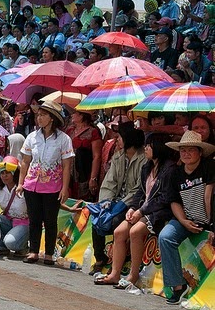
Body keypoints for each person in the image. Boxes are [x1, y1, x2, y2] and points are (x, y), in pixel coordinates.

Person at [97, 134, 176, 288]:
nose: (145, 149)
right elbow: (140, 192)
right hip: (142, 209)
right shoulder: (147, 167)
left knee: (135, 232)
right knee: (119, 232)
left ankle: (133, 275)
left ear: (159, 147)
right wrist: (133, 208)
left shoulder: (170, 169)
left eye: (149, 146)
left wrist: (141, 211)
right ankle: (114, 273)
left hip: (158, 213)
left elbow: (164, 199)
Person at [158, 131, 215, 304]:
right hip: (185, 219)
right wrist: (183, 221)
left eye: (191, 150)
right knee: (165, 237)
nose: (186, 154)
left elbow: (209, 197)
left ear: (200, 152)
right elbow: (174, 201)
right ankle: (177, 286)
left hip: (209, 220)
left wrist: (212, 226)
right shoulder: (175, 173)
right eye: (183, 150)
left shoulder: (209, 167)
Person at [16, 100, 73, 265]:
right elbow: (25, 161)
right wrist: (21, 183)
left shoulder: (64, 139)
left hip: (52, 185)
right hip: (32, 184)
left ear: (52, 118)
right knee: (34, 219)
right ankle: (33, 251)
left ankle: (49, 253)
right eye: (38, 115)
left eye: (42, 115)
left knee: (50, 220)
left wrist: (65, 188)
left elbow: (67, 165)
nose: (38, 118)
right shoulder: (32, 137)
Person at [90, 124, 146, 274]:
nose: (117, 140)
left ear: (130, 139)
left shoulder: (144, 159)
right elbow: (110, 181)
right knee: (97, 218)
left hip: (132, 204)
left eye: (120, 137)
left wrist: (122, 204)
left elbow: (138, 189)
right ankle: (99, 258)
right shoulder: (118, 156)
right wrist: (105, 202)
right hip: (114, 201)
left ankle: (116, 262)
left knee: (116, 222)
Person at [0, 156, 29, 256]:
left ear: (15, 173)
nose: (4, 176)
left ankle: (23, 246)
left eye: (8, 173)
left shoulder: (24, 188)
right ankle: (1, 246)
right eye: (2, 173)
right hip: (8, 221)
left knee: (11, 243)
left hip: (24, 223)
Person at [66, 110, 103, 201]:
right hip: (69, 172)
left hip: (84, 172)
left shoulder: (93, 132)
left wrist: (93, 178)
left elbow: (96, 156)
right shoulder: (70, 130)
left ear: (81, 116)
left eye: (74, 113)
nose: (72, 115)